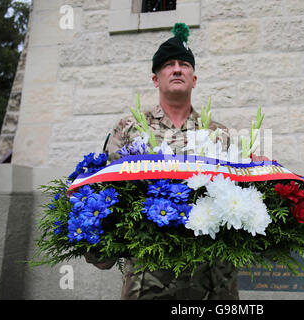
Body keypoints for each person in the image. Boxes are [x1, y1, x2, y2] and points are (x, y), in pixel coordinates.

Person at [84, 23, 239, 300]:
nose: (177, 69)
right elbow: (105, 190)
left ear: (194, 78)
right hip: (149, 279)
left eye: (184, 64)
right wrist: (100, 248)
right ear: (156, 79)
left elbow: (236, 194)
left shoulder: (220, 134)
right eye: (168, 65)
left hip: (214, 278)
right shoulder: (130, 128)